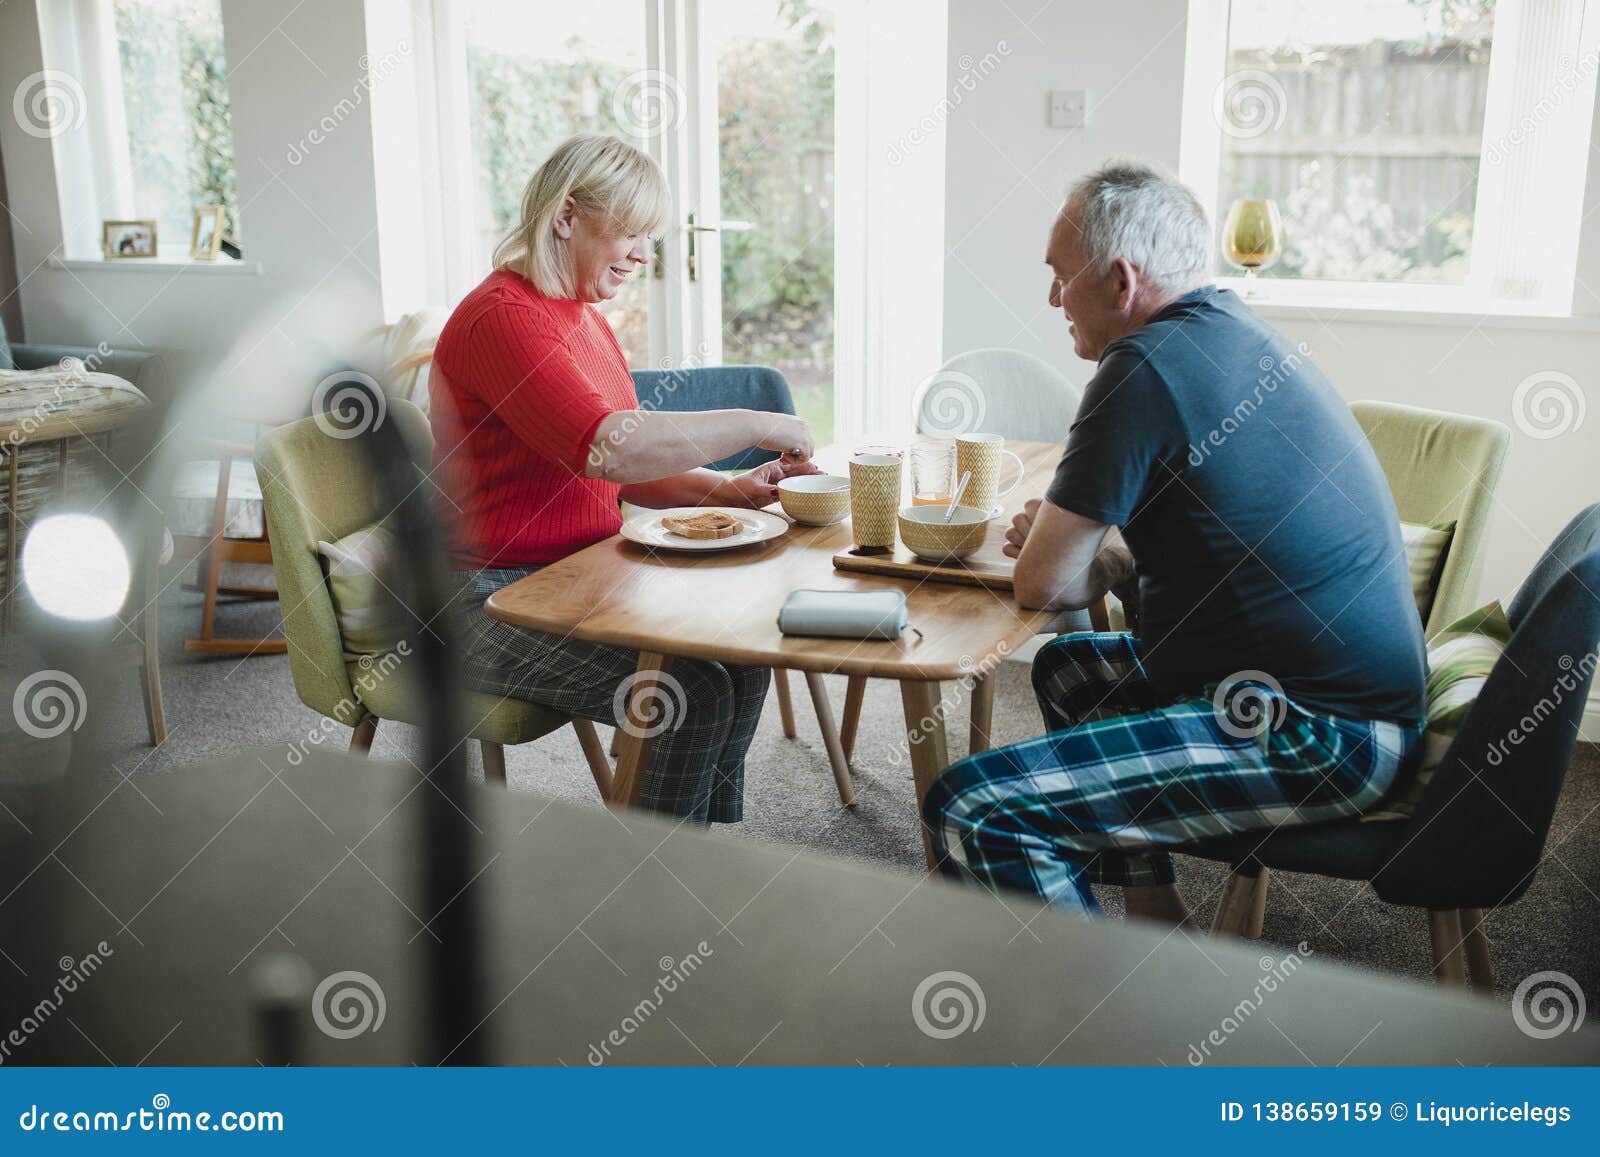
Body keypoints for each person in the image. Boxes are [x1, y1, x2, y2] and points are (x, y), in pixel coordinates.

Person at [922, 160, 1427, 924]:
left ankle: (1112, 1017)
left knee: (974, 804)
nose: (1052, 298)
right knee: (1068, 671)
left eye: (1061, 277)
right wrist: (1100, 556)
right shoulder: (1231, 329)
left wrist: (1089, 559)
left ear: (1122, 280)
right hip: (1344, 702)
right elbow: (1101, 567)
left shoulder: (1141, 368)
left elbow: (1043, 585)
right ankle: (1154, 918)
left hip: (1318, 734)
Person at [430, 133, 818, 823]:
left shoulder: (579, 318)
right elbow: (611, 450)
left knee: (742, 647)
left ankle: (695, 848)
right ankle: (646, 887)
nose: (644, 254)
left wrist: (731, 490)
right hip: (486, 600)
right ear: (566, 216)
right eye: (631, 233)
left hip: (581, 577)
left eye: (652, 237)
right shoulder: (502, 318)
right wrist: (758, 423)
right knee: (689, 690)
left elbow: (625, 471)